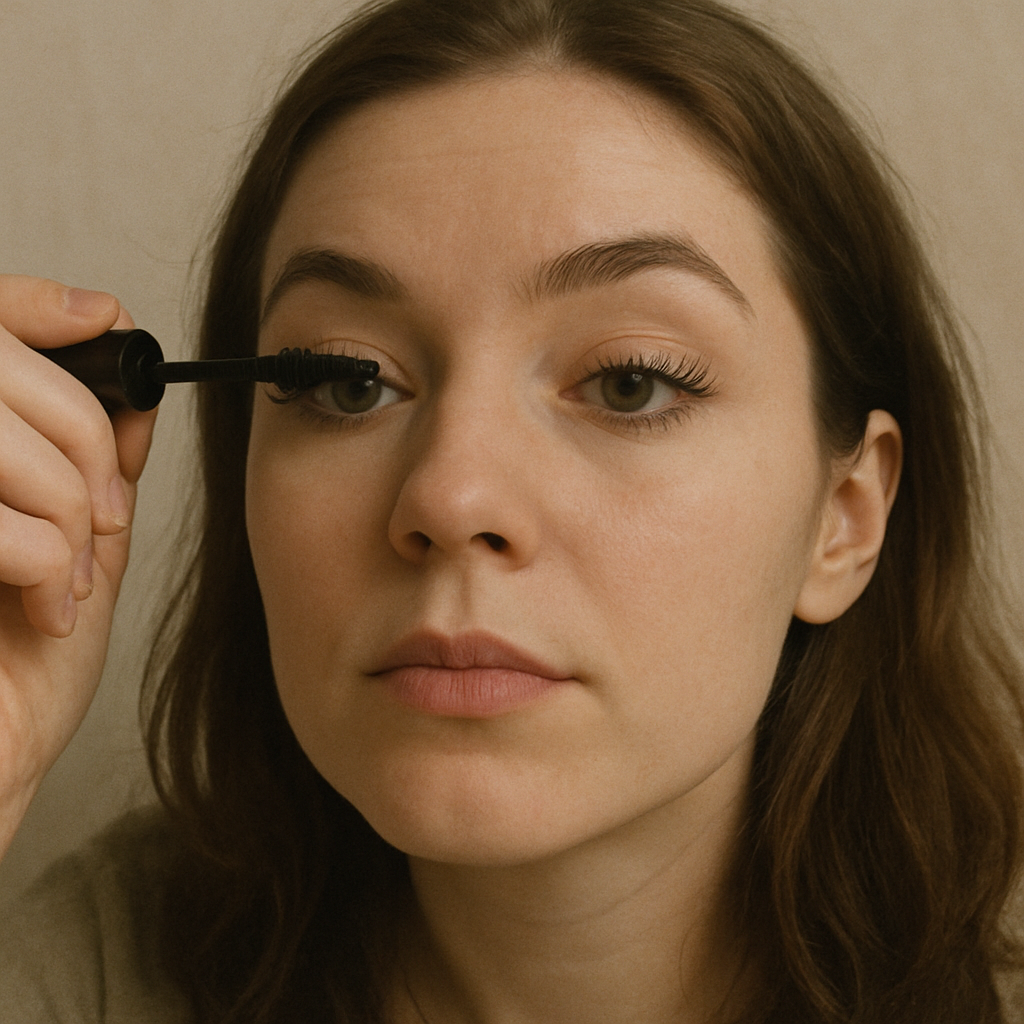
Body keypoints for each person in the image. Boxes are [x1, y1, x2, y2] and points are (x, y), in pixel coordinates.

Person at [1, 0, 1021, 1020]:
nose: (450, 496)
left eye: (630, 382)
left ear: (843, 517)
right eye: (348, 382)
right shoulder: (84, 979)